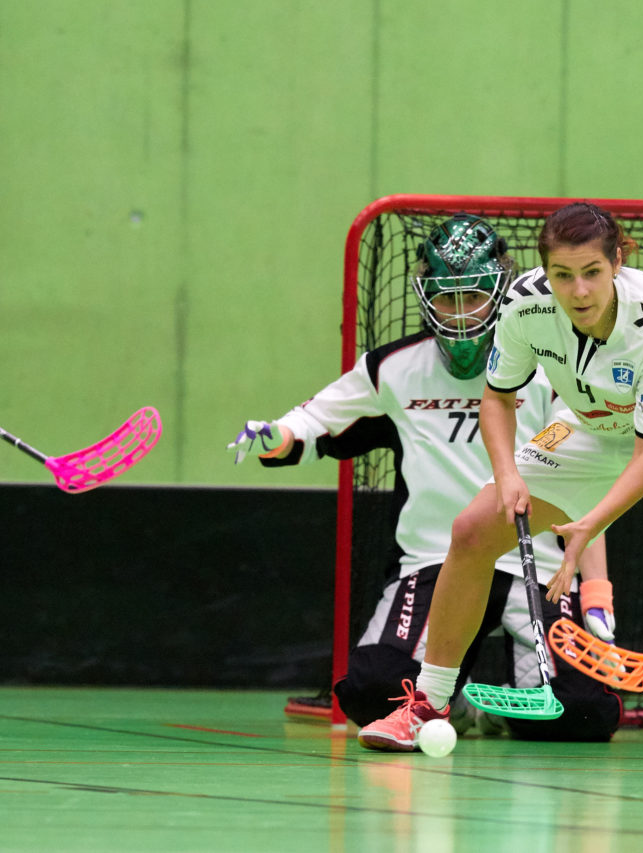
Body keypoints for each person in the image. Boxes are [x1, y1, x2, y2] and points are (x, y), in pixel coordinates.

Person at [358, 201, 643, 765]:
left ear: (617, 263)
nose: (578, 291)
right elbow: (498, 397)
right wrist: (507, 476)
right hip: (589, 421)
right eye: (562, 275)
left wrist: (591, 525)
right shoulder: (524, 304)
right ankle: (428, 704)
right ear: (544, 272)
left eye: (591, 273)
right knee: (473, 530)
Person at [227, 213, 621, 743]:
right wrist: (276, 435)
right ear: (425, 297)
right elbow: (314, 419)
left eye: (473, 297)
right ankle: (447, 700)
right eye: (446, 298)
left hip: (538, 565)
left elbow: (587, 475)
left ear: (501, 292)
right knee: (369, 690)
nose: (460, 314)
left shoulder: (553, 365)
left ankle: (497, 706)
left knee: (584, 713)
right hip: (434, 563)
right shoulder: (394, 368)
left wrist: (595, 585)